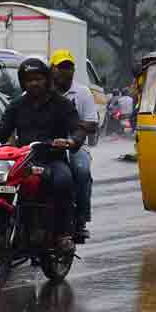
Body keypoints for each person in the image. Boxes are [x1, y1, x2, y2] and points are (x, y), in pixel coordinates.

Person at [0, 58, 83, 252]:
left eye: (38, 78)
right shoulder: (17, 105)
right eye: (29, 79)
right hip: (21, 161)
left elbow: (77, 129)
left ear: (47, 79)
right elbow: (2, 131)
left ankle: (62, 233)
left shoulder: (62, 104)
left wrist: (71, 141)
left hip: (51, 159)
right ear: (23, 82)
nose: (34, 83)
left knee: (62, 180)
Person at [51, 49, 98, 239]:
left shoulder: (82, 92)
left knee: (82, 171)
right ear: (52, 70)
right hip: (48, 143)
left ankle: (81, 219)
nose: (65, 71)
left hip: (75, 144)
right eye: (61, 67)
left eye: (69, 67)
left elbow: (92, 124)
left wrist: (74, 128)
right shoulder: (41, 93)